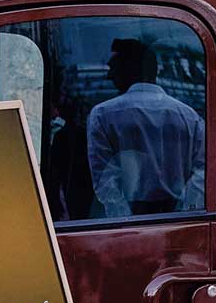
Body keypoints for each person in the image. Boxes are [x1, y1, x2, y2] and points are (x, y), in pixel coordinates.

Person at [86, 37, 205, 217]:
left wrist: (124, 220)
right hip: (180, 216)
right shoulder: (189, 117)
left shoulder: (103, 115)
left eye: (113, 68)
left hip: (129, 218)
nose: (109, 76)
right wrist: (187, 212)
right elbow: (201, 173)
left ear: (131, 69)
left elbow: (105, 180)